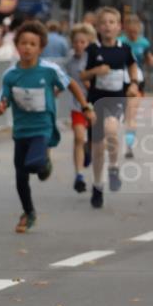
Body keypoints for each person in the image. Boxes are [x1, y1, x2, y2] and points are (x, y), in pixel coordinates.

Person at [0, 21, 94, 233]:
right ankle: (29, 213)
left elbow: (72, 84)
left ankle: (44, 164)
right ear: (17, 46)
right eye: (23, 43)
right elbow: (3, 98)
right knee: (20, 177)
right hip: (21, 130)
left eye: (33, 44)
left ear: (40, 48)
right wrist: (1, 106)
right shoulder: (11, 75)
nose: (27, 47)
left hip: (43, 128)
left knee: (35, 164)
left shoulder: (49, 70)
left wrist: (85, 107)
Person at [81, 6, 140, 208]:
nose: (107, 26)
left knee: (112, 131)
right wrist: (96, 70)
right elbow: (82, 75)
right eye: (103, 22)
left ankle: (113, 167)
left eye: (111, 22)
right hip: (95, 101)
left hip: (116, 99)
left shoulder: (124, 49)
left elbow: (132, 66)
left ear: (119, 27)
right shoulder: (92, 49)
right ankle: (97, 186)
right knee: (97, 148)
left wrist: (133, 83)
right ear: (97, 27)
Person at [119, 13, 153, 158]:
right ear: (125, 29)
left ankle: (129, 145)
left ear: (139, 29)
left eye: (136, 31)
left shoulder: (144, 43)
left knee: (131, 115)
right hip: (119, 79)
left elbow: (148, 57)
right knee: (120, 113)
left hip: (137, 79)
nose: (133, 34)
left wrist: (151, 60)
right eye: (130, 31)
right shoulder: (120, 41)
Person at [65, 23, 95, 193]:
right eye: (76, 42)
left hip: (94, 105)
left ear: (88, 43)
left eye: (82, 42)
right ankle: (79, 176)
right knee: (78, 137)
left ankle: (87, 151)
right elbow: (65, 80)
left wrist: (90, 83)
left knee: (91, 142)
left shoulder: (93, 59)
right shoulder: (69, 62)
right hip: (77, 106)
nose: (78, 45)